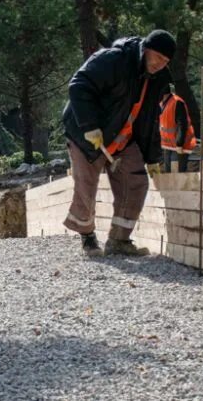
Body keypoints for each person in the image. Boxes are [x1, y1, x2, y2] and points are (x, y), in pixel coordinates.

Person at [61, 30, 175, 256]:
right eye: (158, 58)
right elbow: (79, 85)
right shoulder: (114, 60)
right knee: (86, 185)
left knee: (136, 182)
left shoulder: (158, 78)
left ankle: (119, 240)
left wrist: (152, 158)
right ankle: (88, 237)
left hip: (121, 136)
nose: (161, 65)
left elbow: (151, 119)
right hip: (86, 133)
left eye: (166, 62)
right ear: (147, 49)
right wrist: (89, 125)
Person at [159, 90, 198, 173]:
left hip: (180, 145)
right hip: (168, 145)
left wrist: (179, 144)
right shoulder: (163, 103)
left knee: (177, 173)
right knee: (169, 172)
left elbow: (182, 124)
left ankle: (179, 185)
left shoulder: (176, 102)